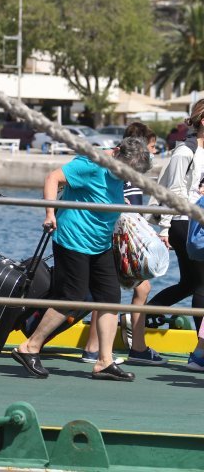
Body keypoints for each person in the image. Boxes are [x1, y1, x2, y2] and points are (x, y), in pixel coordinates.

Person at [12, 137, 151, 382]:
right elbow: (53, 178)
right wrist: (49, 213)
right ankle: (29, 347)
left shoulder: (120, 172)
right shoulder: (93, 162)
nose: (125, 176)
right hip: (73, 238)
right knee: (72, 298)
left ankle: (104, 362)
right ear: (116, 153)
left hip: (100, 244)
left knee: (110, 298)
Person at [83, 123, 165, 365]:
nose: (155, 152)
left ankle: (98, 346)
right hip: (119, 237)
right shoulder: (127, 175)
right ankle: (128, 347)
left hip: (121, 236)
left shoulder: (133, 173)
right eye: (151, 147)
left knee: (110, 290)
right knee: (119, 289)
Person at [147, 100, 204, 332]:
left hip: (198, 222)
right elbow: (174, 191)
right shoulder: (185, 151)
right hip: (184, 223)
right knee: (201, 285)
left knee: (190, 283)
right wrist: (164, 229)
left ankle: (140, 318)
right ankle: (201, 351)